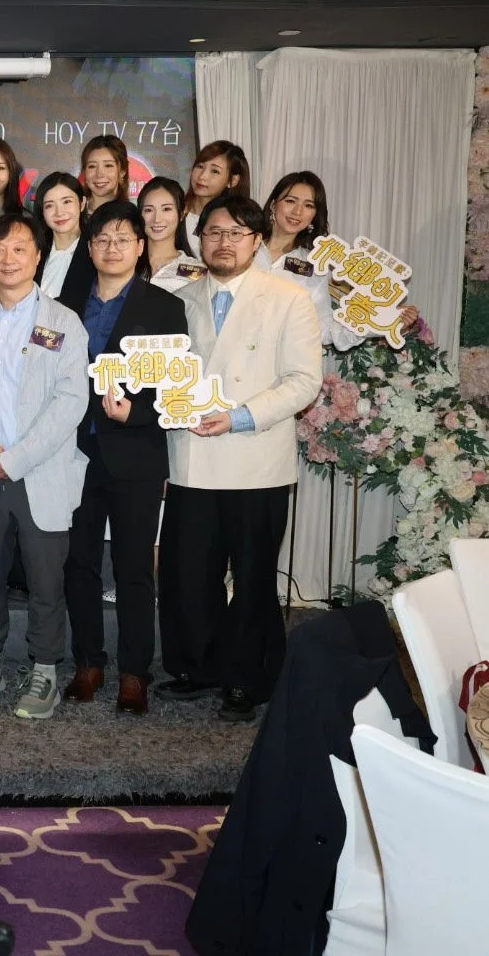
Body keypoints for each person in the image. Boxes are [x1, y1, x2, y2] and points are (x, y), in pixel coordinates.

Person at [158, 194, 322, 722]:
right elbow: (159, 374)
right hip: (190, 458)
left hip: (255, 458)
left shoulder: (289, 298)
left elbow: (304, 380)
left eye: (235, 233)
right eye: (213, 233)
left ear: (256, 240)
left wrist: (241, 416)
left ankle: (247, 677)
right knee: (191, 572)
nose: (223, 242)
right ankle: (198, 666)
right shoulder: (177, 299)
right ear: (199, 240)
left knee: (252, 577)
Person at [0, 212, 88, 721]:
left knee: (45, 580)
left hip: (41, 470)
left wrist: (19, 456)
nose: (8, 259)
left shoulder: (64, 321)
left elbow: (71, 400)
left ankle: (45, 668)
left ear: (37, 256)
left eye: (19, 249)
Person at [56, 201, 187, 716]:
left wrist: (138, 411)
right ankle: (88, 662)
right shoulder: (64, 305)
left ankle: (135, 673)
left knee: (134, 569)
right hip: (73, 452)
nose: (112, 248)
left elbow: (177, 386)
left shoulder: (164, 307)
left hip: (135, 455)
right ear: (90, 248)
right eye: (102, 239)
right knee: (79, 564)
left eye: (123, 239)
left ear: (140, 247)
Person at [259, 171, 418, 348]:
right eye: (290, 201)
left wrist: (381, 319)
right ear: (273, 204)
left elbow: (324, 330)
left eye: (309, 205)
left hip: (281, 360)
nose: (298, 211)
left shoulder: (315, 266)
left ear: (314, 215)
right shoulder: (243, 247)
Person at [33, 172, 96, 305]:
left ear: (82, 204)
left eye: (66, 202)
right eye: (49, 205)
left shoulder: (97, 249)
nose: (59, 212)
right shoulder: (33, 250)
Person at [139, 176, 207, 292]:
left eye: (166, 209)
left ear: (181, 214)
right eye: (149, 210)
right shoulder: (126, 264)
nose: (157, 219)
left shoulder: (196, 270)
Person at [182, 140, 249, 255]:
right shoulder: (174, 212)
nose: (202, 176)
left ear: (233, 180)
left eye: (215, 171)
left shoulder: (239, 223)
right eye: (200, 166)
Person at [79, 134, 131, 212]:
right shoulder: (75, 213)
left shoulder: (132, 215)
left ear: (122, 171)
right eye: (92, 166)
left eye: (108, 165)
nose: (99, 174)